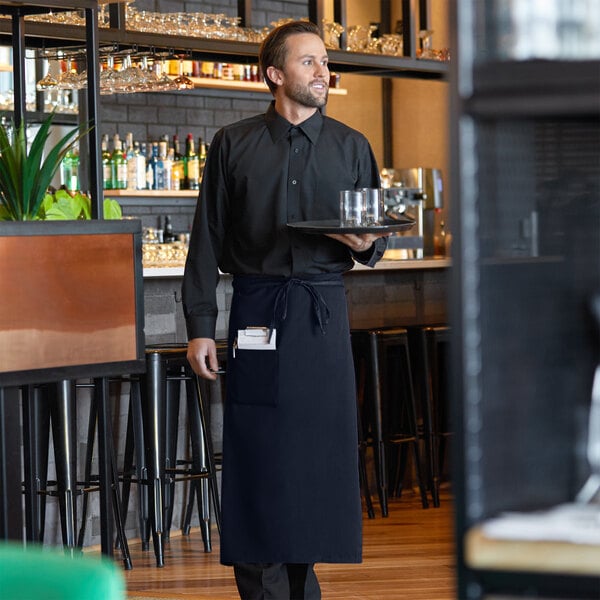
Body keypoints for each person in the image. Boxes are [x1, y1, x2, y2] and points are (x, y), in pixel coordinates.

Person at [182, 20, 389, 600]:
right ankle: (262, 589)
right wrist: (200, 326)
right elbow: (206, 240)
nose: (324, 72)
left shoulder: (353, 147)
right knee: (258, 458)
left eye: (325, 63)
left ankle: (304, 588)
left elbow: (374, 242)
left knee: (314, 461)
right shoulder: (233, 144)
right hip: (256, 313)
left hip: (323, 318)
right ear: (274, 74)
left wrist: (364, 242)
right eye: (309, 63)